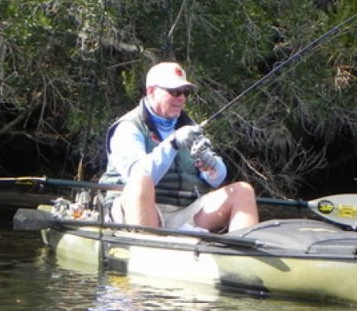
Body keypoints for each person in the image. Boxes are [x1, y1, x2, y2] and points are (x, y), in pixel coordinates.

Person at [99, 61, 258, 232]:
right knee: (141, 180)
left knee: (244, 191)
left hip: (184, 211)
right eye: (174, 92)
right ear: (151, 92)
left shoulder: (189, 126)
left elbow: (217, 179)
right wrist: (173, 143)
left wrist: (211, 166)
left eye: (185, 92)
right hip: (138, 209)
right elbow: (139, 175)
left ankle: (245, 256)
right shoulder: (128, 127)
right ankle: (147, 248)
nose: (181, 98)